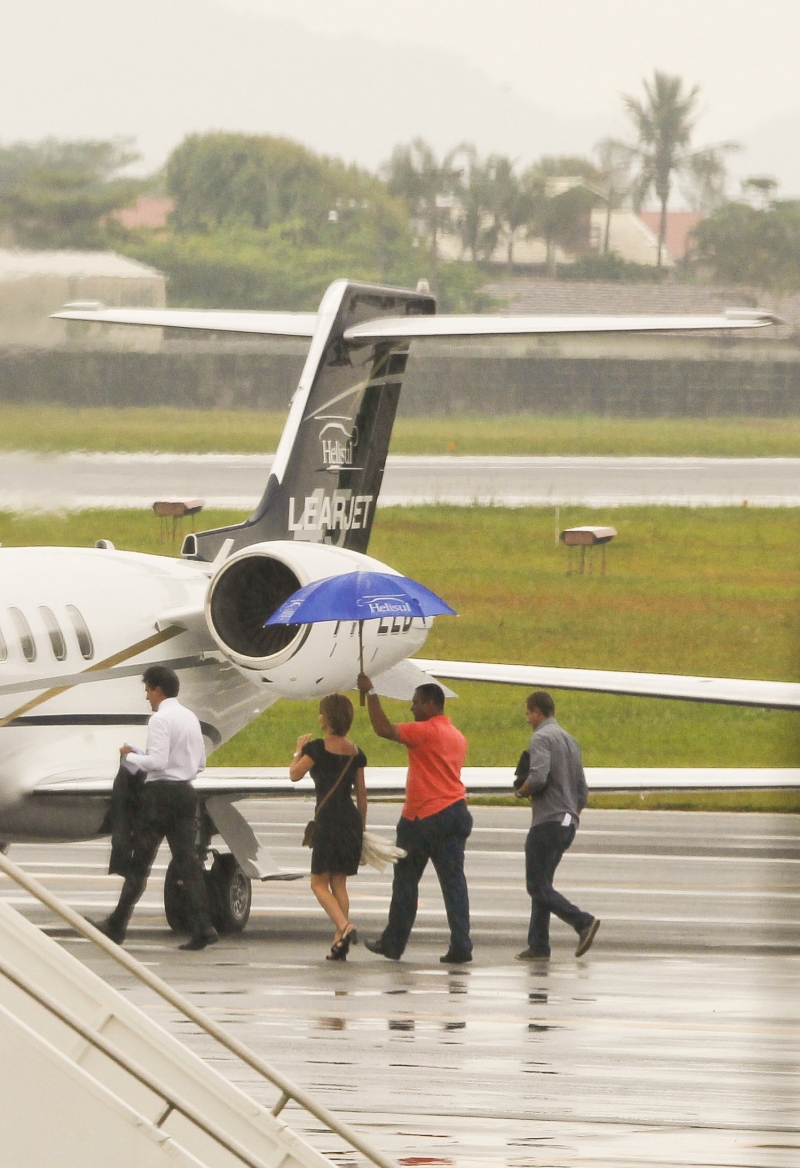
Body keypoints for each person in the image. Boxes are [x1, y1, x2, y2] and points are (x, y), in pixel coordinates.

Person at [94, 665, 218, 951]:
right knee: (188, 863)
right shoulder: (190, 717)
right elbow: (200, 764)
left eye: (148, 689)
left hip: (159, 797)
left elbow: (158, 762)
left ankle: (117, 925)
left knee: (140, 864)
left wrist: (130, 757)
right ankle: (204, 926)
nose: (147, 696)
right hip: (185, 793)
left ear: (158, 690)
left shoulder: (160, 719)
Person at [357, 673, 473, 964]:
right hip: (456, 811)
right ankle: (461, 944)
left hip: (423, 817)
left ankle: (393, 943)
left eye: (416, 702)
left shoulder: (426, 731)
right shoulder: (457, 736)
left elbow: (383, 729)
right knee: (454, 884)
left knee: (406, 883)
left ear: (431, 704)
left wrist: (370, 693)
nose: (412, 708)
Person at [514, 690, 599, 960]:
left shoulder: (541, 738)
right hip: (568, 823)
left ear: (538, 711)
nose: (527, 719)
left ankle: (583, 922)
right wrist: (572, 814)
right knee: (544, 884)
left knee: (536, 886)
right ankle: (538, 945)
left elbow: (538, 777)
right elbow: (582, 791)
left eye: (528, 713)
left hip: (547, 822)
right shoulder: (571, 741)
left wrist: (521, 791)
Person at [289, 693, 367, 961]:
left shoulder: (316, 749)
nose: (319, 716)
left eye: (322, 712)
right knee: (339, 883)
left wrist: (298, 750)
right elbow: (362, 794)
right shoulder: (356, 752)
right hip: (351, 821)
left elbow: (294, 774)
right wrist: (362, 829)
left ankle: (344, 927)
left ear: (328, 718)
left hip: (328, 821)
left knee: (318, 883)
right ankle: (338, 942)